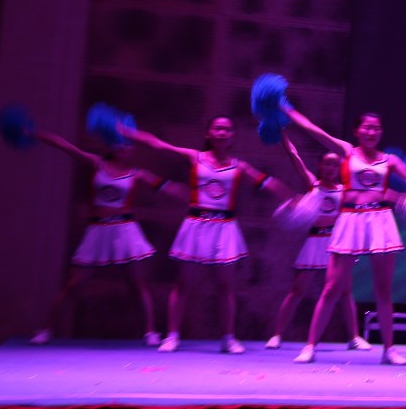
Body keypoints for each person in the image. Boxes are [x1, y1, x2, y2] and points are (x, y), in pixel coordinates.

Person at [280, 107, 406, 366]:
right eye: (367, 127)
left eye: (376, 128)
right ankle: (310, 347)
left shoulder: (389, 160)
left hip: (380, 220)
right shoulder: (347, 151)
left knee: (383, 290)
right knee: (332, 287)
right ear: (357, 131)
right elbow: (311, 129)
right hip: (350, 219)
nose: (371, 132)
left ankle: (389, 350)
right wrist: (284, 106)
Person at [125, 116, 294, 354]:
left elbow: (268, 182)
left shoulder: (239, 166)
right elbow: (158, 145)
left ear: (232, 136)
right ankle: (172, 336)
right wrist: (127, 132)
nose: (222, 132)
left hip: (224, 227)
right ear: (208, 133)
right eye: (218, 128)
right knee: (184, 283)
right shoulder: (195, 157)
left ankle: (228, 338)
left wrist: (291, 197)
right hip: (196, 224)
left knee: (225, 286)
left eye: (227, 129)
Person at [30, 129, 170, 346]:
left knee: (137, 283)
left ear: (132, 150)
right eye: (118, 143)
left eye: (127, 144)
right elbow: (65, 146)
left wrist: (186, 193)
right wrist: (33, 132)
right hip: (98, 229)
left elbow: (165, 186)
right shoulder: (97, 163)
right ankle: (46, 329)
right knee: (75, 283)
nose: (122, 148)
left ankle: (150, 332)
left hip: (125, 230)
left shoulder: (137, 174)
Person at [264, 136, 369, 353]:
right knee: (297, 290)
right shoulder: (313, 185)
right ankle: (277, 335)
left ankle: (354, 337)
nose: (331, 168)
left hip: (337, 242)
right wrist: (282, 133)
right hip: (315, 241)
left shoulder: (344, 190)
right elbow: (294, 156)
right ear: (320, 165)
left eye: (335, 164)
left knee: (345, 291)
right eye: (327, 164)